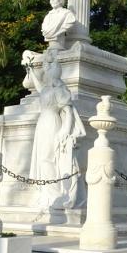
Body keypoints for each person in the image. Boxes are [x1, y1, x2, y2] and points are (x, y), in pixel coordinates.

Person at [27, 50, 85, 212]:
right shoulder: (46, 89)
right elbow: (39, 87)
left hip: (53, 122)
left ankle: (53, 193)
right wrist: (30, 70)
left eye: (47, 69)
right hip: (42, 123)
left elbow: (68, 112)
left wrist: (65, 131)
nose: (45, 72)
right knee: (43, 158)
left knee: (48, 158)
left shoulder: (60, 90)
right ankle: (47, 193)